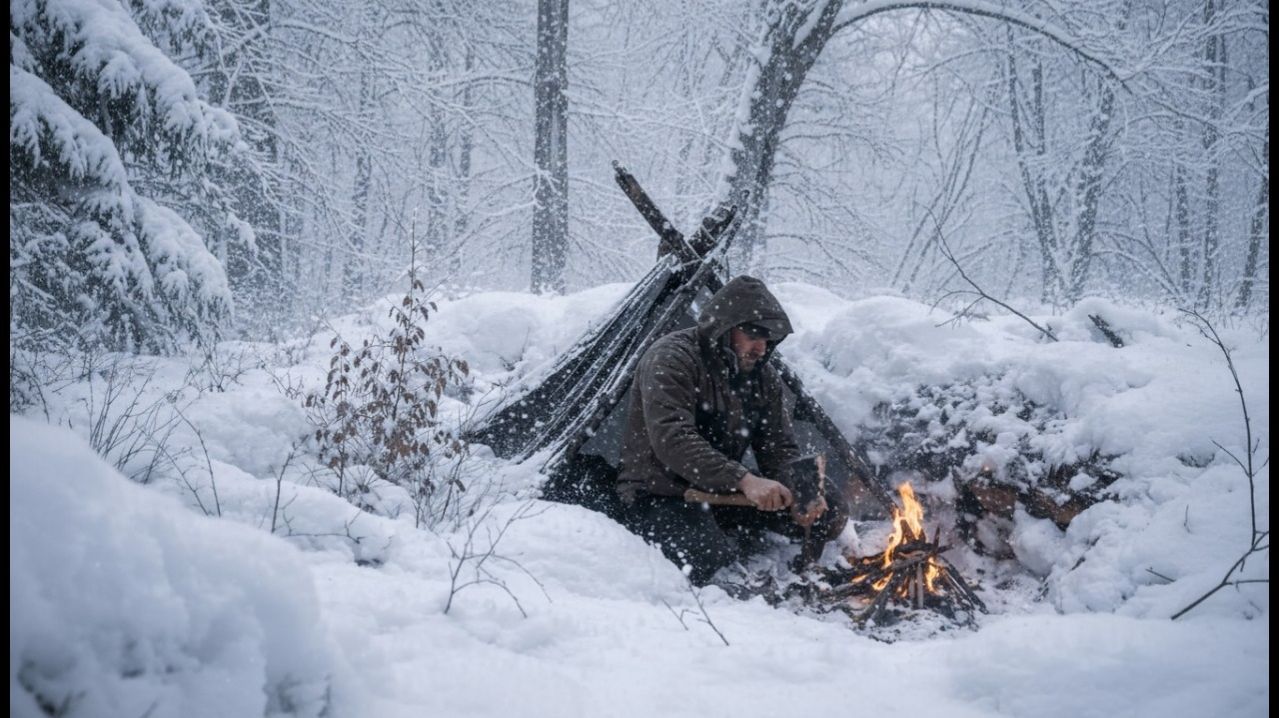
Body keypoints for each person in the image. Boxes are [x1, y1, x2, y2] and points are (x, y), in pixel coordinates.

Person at [617, 275, 847, 586]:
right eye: (753, 336)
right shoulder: (672, 358)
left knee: (830, 509)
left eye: (768, 340)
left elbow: (778, 448)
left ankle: (723, 524)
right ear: (725, 329)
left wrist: (802, 489)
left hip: (724, 490)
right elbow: (673, 439)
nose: (760, 348)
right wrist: (744, 479)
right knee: (704, 558)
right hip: (661, 491)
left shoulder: (763, 378)